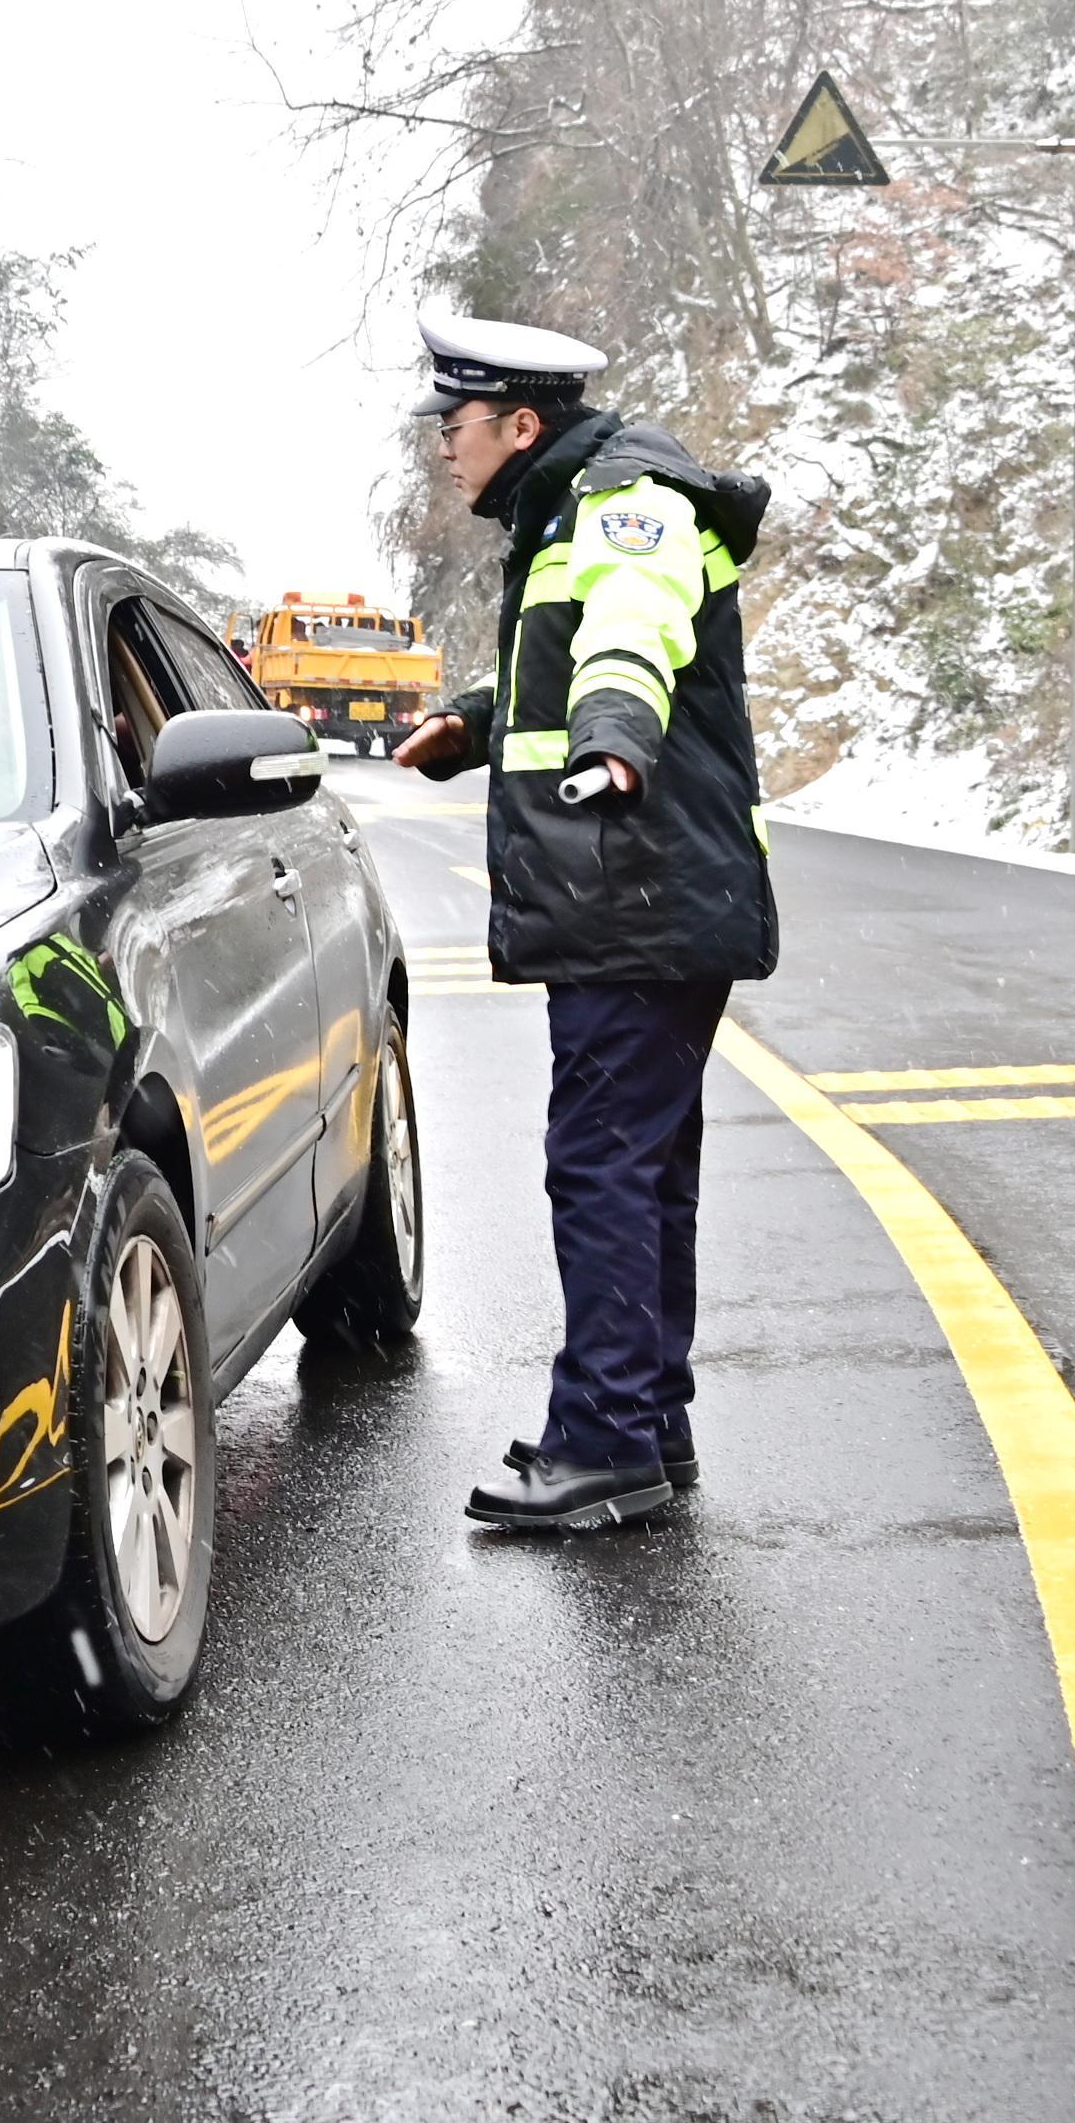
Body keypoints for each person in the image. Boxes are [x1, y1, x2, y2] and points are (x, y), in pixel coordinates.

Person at [390, 315, 777, 1534]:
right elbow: (570, 658)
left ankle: (605, 1438)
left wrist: (612, 739)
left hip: (637, 891)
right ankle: (646, 1423)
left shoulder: (620, 501)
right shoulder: (578, 506)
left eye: (451, 428)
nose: (442, 453)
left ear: (517, 423)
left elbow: (631, 631)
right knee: (642, 1166)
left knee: (603, 1164)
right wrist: (477, 720)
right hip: (644, 893)